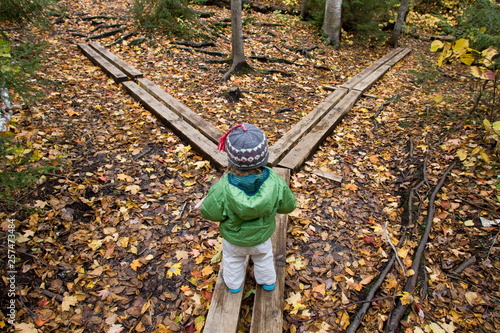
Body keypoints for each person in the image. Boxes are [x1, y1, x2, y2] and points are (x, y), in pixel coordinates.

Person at [199, 123, 296, 293]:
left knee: (232, 260)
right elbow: (289, 206)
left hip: (234, 239)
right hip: (261, 237)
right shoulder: (275, 181)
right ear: (263, 155)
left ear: (232, 158)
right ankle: (267, 282)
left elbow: (208, 212)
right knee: (264, 258)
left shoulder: (222, 187)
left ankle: (234, 285)